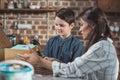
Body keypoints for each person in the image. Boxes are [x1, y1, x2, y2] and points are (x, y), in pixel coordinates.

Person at [17, 6, 119, 80]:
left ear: (93, 25)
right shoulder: (102, 45)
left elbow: (73, 70)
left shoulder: (102, 48)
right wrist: (56, 62)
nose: (80, 30)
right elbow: (81, 68)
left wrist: (40, 61)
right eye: (56, 25)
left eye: (82, 25)